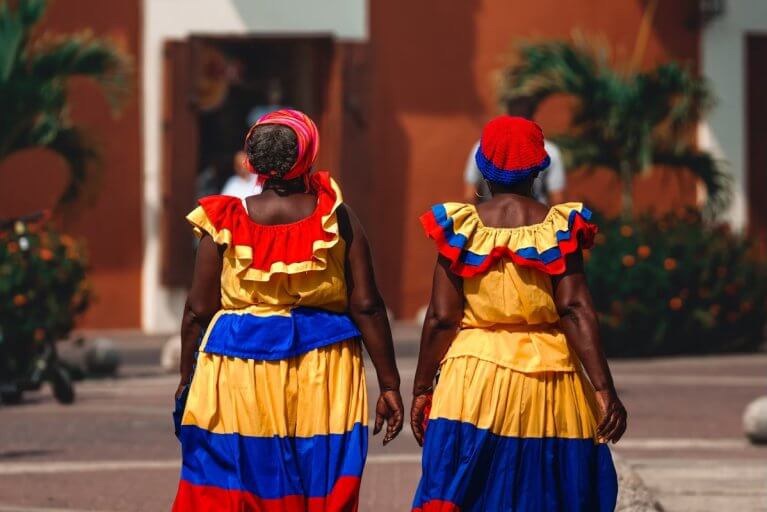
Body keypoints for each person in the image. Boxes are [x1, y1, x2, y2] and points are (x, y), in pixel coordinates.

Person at [172, 109, 404, 510]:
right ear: (308, 154)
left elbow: (197, 308)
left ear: (252, 160)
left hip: (236, 365)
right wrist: (389, 384)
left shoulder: (223, 220)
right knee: (319, 476)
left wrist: (186, 374)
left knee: (236, 475)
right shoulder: (337, 217)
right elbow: (367, 305)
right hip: (324, 369)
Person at [411, 116, 626, 511]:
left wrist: (422, 388)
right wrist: (604, 389)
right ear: (539, 167)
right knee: (548, 492)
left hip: (471, 380)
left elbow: (442, 318)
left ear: (483, 167)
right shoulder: (558, 228)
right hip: (550, 379)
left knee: (464, 489)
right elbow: (575, 309)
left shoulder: (462, 227)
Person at [464, 96, 565, 205]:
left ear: (507, 114)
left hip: (488, 218)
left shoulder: (483, 147)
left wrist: (476, 219)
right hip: (537, 218)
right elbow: (557, 199)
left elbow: (470, 195)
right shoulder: (549, 150)